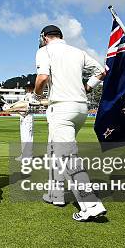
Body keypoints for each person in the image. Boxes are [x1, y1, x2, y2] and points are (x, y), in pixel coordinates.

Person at [34, 25, 107, 221]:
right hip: (80, 108)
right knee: (54, 150)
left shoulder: (44, 50)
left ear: (44, 37)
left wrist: (35, 96)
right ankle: (55, 194)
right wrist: (88, 87)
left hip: (62, 108)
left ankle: (90, 203)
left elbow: (42, 77)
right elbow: (102, 71)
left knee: (66, 155)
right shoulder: (77, 51)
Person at [16, 81, 35, 161]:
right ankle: (24, 155)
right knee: (23, 137)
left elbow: (28, 108)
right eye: (27, 87)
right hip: (23, 117)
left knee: (27, 137)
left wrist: (17, 109)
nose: (27, 88)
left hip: (28, 117)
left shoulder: (32, 96)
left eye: (29, 87)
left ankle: (28, 156)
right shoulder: (26, 96)